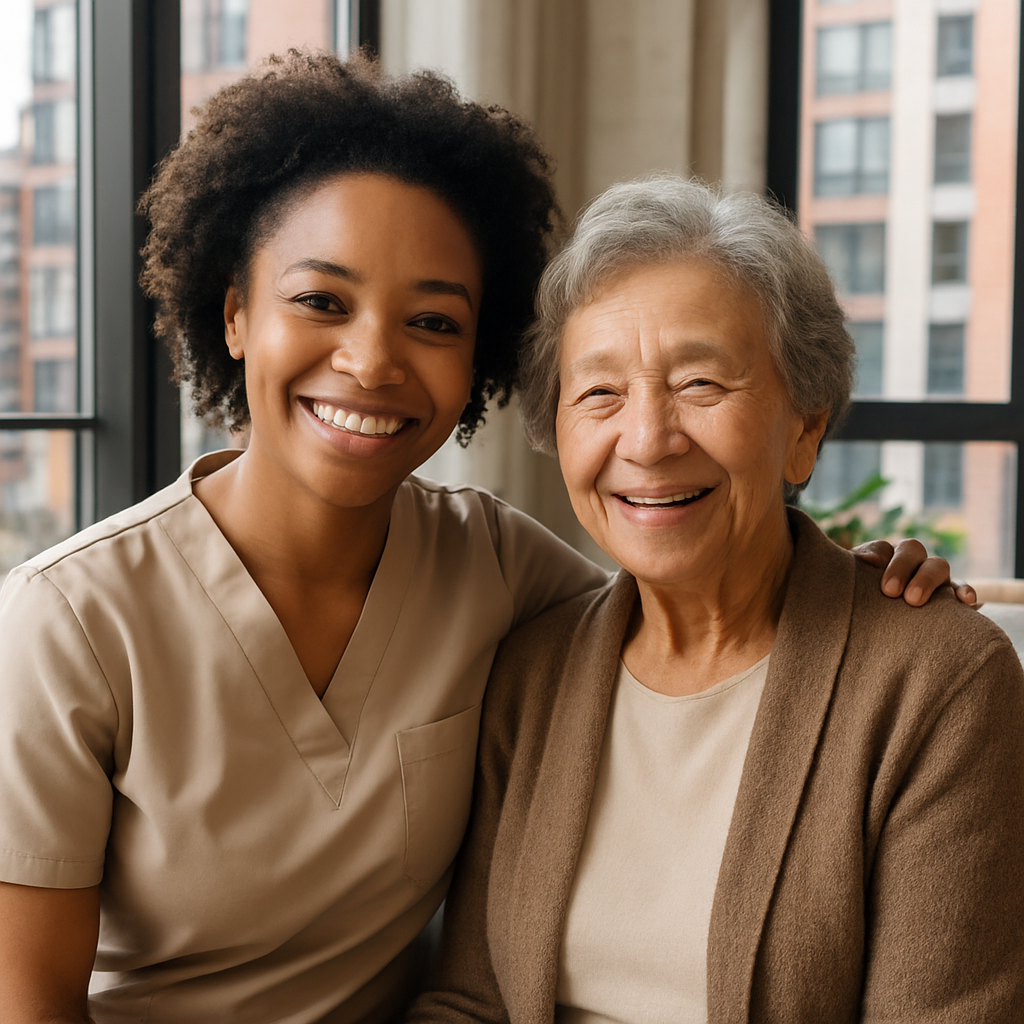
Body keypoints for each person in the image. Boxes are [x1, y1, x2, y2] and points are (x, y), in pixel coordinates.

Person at [0, 54, 962, 1024]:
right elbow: (26, 1003)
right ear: (236, 313)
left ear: (478, 359)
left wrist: (866, 586)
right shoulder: (70, 622)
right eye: (320, 301)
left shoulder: (499, 571)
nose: (372, 359)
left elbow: (691, 587)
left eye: (431, 320)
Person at [408, 177, 1024, 1024]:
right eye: (600, 393)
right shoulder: (530, 672)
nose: (649, 439)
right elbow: (468, 1000)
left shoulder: (937, 681)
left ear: (805, 427)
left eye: (701, 384)